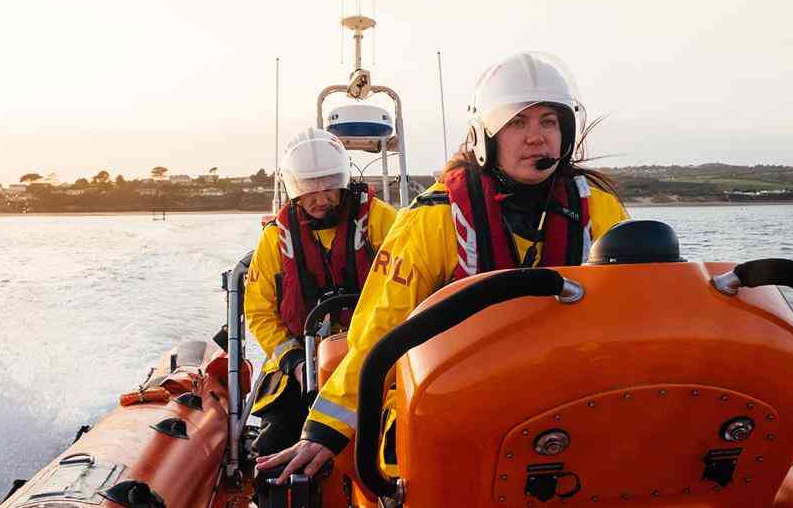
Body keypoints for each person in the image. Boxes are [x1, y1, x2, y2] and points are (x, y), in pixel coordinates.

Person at [256, 52, 628, 481]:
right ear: (485, 133)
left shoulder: (598, 210)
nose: (535, 137)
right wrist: (324, 430)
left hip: (570, 406)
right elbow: (379, 333)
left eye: (548, 122)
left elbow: (629, 316)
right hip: (456, 409)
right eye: (516, 123)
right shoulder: (432, 220)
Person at [244, 127, 397, 457]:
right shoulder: (275, 239)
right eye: (309, 186)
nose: (320, 196)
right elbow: (259, 311)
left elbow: (407, 284)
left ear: (343, 181)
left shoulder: (381, 220)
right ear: (294, 188)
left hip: (372, 355)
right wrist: (295, 361)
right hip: (298, 366)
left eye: (329, 184)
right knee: (272, 445)